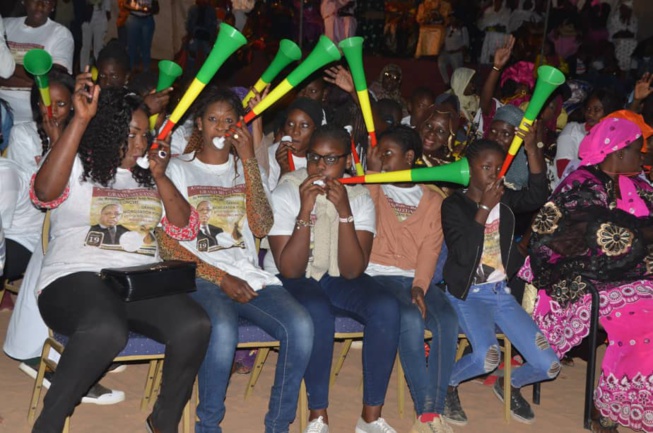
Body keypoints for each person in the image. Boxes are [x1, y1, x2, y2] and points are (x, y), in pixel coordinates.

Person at [29, 78, 210, 433]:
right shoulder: (78, 164)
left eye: (145, 134)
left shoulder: (149, 175)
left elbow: (187, 227)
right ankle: (48, 425)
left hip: (136, 283)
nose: (140, 142)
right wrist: (79, 120)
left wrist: (159, 176)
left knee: (194, 324)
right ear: (109, 130)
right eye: (130, 133)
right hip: (74, 277)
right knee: (105, 328)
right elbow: (43, 193)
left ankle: (163, 422)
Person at [159, 86, 313, 433]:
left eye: (229, 121)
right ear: (199, 124)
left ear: (238, 127)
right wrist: (219, 278)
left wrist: (248, 161)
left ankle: (278, 424)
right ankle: (208, 425)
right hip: (198, 275)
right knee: (223, 329)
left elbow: (262, 224)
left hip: (245, 272)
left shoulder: (244, 169)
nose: (220, 128)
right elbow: (168, 246)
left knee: (300, 326)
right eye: (212, 120)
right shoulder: (179, 170)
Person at [266, 124, 401, 433]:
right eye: (314, 158)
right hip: (296, 274)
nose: (320, 167)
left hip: (338, 273)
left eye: (330, 159)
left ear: (347, 161)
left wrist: (344, 211)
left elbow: (353, 271)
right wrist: (305, 210)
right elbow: (290, 269)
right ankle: (318, 415)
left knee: (386, 307)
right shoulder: (289, 189)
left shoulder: (358, 197)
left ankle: (370, 417)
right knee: (316, 310)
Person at [527, 117, 653, 433]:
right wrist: (641, 236)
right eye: (638, 151)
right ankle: (606, 406)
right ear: (618, 151)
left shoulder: (638, 184)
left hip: (629, 274)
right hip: (578, 277)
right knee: (642, 321)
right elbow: (601, 237)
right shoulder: (581, 185)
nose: (643, 157)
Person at [441, 138, 560, 425]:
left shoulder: (504, 200)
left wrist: (533, 150)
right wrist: (483, 209)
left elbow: (537, 196)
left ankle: (510, 384)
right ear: (469, 169)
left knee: (550, 365)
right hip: (467, 294)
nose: (494, 174)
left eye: (499, 168)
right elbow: (465, 253)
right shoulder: (453, 205)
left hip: (500, 294)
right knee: (487, 357)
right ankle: (446, 384)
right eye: (486, 167)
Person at [365, 125, 459, 433]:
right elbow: (364, 211)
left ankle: (434, 407)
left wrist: (419, 286)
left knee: (446, 319)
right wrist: (372, 172)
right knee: (410, 318)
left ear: (409, 157)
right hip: (378, 275)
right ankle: (427, 413)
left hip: (414, 278)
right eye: (379, 154)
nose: (382, 159)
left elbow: (431, 250)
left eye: (387, 154)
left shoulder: (433, 201)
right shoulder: (374, 189)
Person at [0, 1, 74, 124]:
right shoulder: (6, 25)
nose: (40, 5)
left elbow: (54, 80)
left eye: (47, 1)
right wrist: (35, 77)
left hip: (32, 119)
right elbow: (42, 80)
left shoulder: (61, 34)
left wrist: (6, 69)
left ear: (53, 6)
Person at [6, 69, 75, 174]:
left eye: (60, 104)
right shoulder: (23, 134)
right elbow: (28, 184)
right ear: (38, 103)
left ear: (72, 105)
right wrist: (54, 142)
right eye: (46, 103)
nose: (52, 111)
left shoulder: (78, 134)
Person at [267, 97, 322, 190]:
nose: (295, 132)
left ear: (315, 129)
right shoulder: (272, 153)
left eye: (304, 126)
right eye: (290, 124)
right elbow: (271, 200)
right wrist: (284, 171)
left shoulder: (321, 158)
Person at [124, 0, 159, 72]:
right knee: (131, 47)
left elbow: (156, 8)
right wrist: (135, 8)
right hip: (133, 17)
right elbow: (125, 4)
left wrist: (148, 9)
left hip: (147, 19)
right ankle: (129, 71)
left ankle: (146, 72)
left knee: (146, 47)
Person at [80, 0, 112, 72]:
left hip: (101, 16)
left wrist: (108, 10)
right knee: (86, 46)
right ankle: (83, 70)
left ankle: (99, 69)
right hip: (87, 16)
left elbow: (107, 4)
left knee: (98, 46)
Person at [438, 16, 468, 86]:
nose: (452, 20)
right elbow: (444, 42)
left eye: (453, 19)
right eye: (451, 19)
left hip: (457, 53)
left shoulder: (462, 29)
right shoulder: (447, 29)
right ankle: (447, 82)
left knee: (455, 63)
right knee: (441, 63)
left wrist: (456, 51)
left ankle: (457, 85)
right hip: (447, 52)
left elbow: (466, 45)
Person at [477, 0, 510, 65]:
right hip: (489, 38)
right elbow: (483, 25)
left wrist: (494, 28)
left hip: (501, 38)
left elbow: (505, 27)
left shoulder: (506, 11)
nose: (497, 2)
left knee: (499, 58)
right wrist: (493, 27)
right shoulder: (488, 11)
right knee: (488, 58)